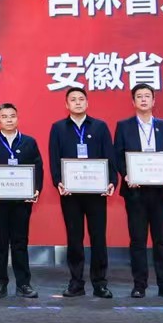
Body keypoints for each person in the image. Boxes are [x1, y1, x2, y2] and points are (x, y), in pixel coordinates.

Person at [46, 88, 117, 298]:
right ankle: (76, 282)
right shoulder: (58, 128)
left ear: (87, 103)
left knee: (98, 237)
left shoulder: (100, 126)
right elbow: (54, 157)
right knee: (74, 238)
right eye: (73, 100)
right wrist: (58, 181)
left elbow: (109, 155)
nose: (77, 102)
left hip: (96, 192)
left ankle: (100, 283)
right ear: (66, 104)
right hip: (70, 193)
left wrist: (112, 181)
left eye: (81, 99)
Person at [112, 83, 163, 300]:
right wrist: (126, 174)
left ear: (153, 100)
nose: (143, 99)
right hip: (136, 192)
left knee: (162, 239)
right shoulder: (124, 126)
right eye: (139, 96)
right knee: (138, 240)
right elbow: (118, 155)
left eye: (147, 96)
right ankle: (139, 285)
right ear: (133, 102)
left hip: (160, 192)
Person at [0, 102, 42, 299]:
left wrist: (36, 189)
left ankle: (23, 284)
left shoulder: (29, 142)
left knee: (20, 242)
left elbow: (38, 168)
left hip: (22, 201)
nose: (9, 120)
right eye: (4, 117)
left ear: (17, 118)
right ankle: (0, 283)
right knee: (0, 243)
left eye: (12, 116)